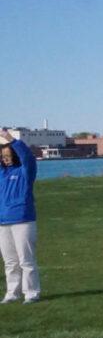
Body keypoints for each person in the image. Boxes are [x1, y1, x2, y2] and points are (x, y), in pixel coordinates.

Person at [0, 130, 41, 304]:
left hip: (23, 220)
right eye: (3, 156)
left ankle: (31, 293)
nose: (5, 159)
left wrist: (10, 139)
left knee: (26, 260)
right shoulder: (2, 173)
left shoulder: (25, 171)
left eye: (8, 155)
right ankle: (12, 293)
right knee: (10, 262)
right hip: (3, 222)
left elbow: (28, 157)